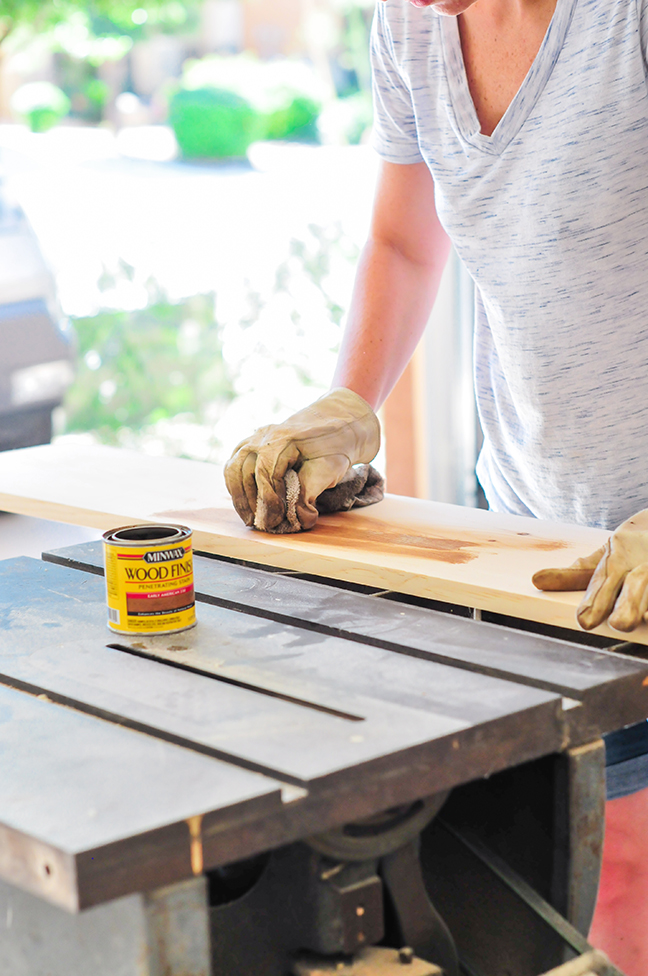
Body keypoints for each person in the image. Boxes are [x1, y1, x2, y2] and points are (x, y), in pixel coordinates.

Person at [225, 0, 648, 970]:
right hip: (539, 531)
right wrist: (349, 402)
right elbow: (406, 244)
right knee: (573, 854)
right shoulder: (413, 28)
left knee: (625, 861)